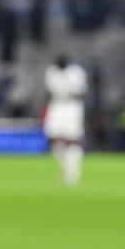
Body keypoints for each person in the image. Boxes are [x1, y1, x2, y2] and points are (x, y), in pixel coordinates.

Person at [43, 53, 89, 185]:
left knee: (73, 139)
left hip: (72, 107)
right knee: (52, 138)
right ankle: (66, 167)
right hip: (57, 106)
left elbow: (83, 91)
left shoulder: (76, 72)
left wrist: (69, 92)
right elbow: (48, 90)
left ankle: (73, 172)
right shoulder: (51, 71)